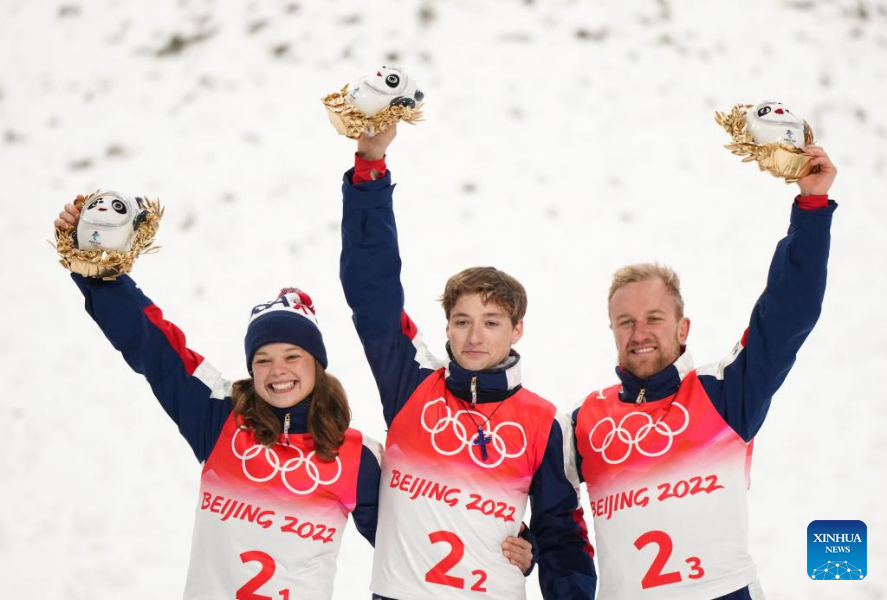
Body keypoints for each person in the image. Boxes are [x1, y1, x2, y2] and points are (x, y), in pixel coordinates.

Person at [55, 200, 534, 599]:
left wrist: (518, 546)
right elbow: (152, 346)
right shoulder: (220, 420)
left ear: (317, 364)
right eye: (262, 359)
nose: (278, 371)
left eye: (292, 355)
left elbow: (420, 531)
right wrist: (101, 274)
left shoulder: (355, 457)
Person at [339, 125, 597, 600]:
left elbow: (562, 533)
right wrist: (370, 170)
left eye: (492, 322)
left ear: (517, 330)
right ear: (447, 328)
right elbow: (372, 295)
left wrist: (536, 546)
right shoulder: (411, 383)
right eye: (462, 321)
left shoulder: (544, 423)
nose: (474, 337)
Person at [571, 146, 838, 599]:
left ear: (682, 327)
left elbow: (788, 314)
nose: (640, 333)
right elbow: (533, 500)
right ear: (612, 331)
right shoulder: (583, 422)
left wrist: (811, 207)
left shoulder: (725, 393)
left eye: (654, 318)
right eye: (625, 321)